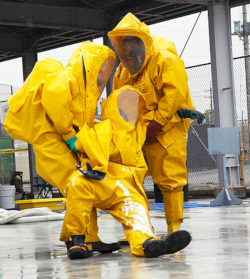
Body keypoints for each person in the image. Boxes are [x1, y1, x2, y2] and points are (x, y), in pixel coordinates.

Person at [3, 41, 121, 253]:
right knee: (78, 184)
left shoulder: (86, 93)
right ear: (88, 64)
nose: (102, 73)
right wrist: (69, 136)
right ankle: (77, 239)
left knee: (83, 186)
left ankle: (84, 237)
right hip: (49, 140)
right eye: (99, 66)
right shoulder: (66, 78)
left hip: (59, 141)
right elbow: (55, 103)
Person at [61, 86, 191, 259]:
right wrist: (85, 162)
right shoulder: (100, 130)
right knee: (77, 182)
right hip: (103, 182)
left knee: (136, 211)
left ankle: (147, 244)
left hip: (128, 189)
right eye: (122, 110)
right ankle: (76, 241)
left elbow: (156, 119)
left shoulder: (138, 130)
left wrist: (179, 114)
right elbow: (83, 143)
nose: (128, 115)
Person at [108, 13, 204, 235]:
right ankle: (139, 230)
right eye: (125, 46)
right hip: (139, 130)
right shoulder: (123, 72)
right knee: (131, 177)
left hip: (169, 126)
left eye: (133, 43)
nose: (129, 51)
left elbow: (174, 95)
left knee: (170, 177)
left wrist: (158, 122)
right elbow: (118, 101)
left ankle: (174, 229)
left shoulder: (163, 60)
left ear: (142, 42)